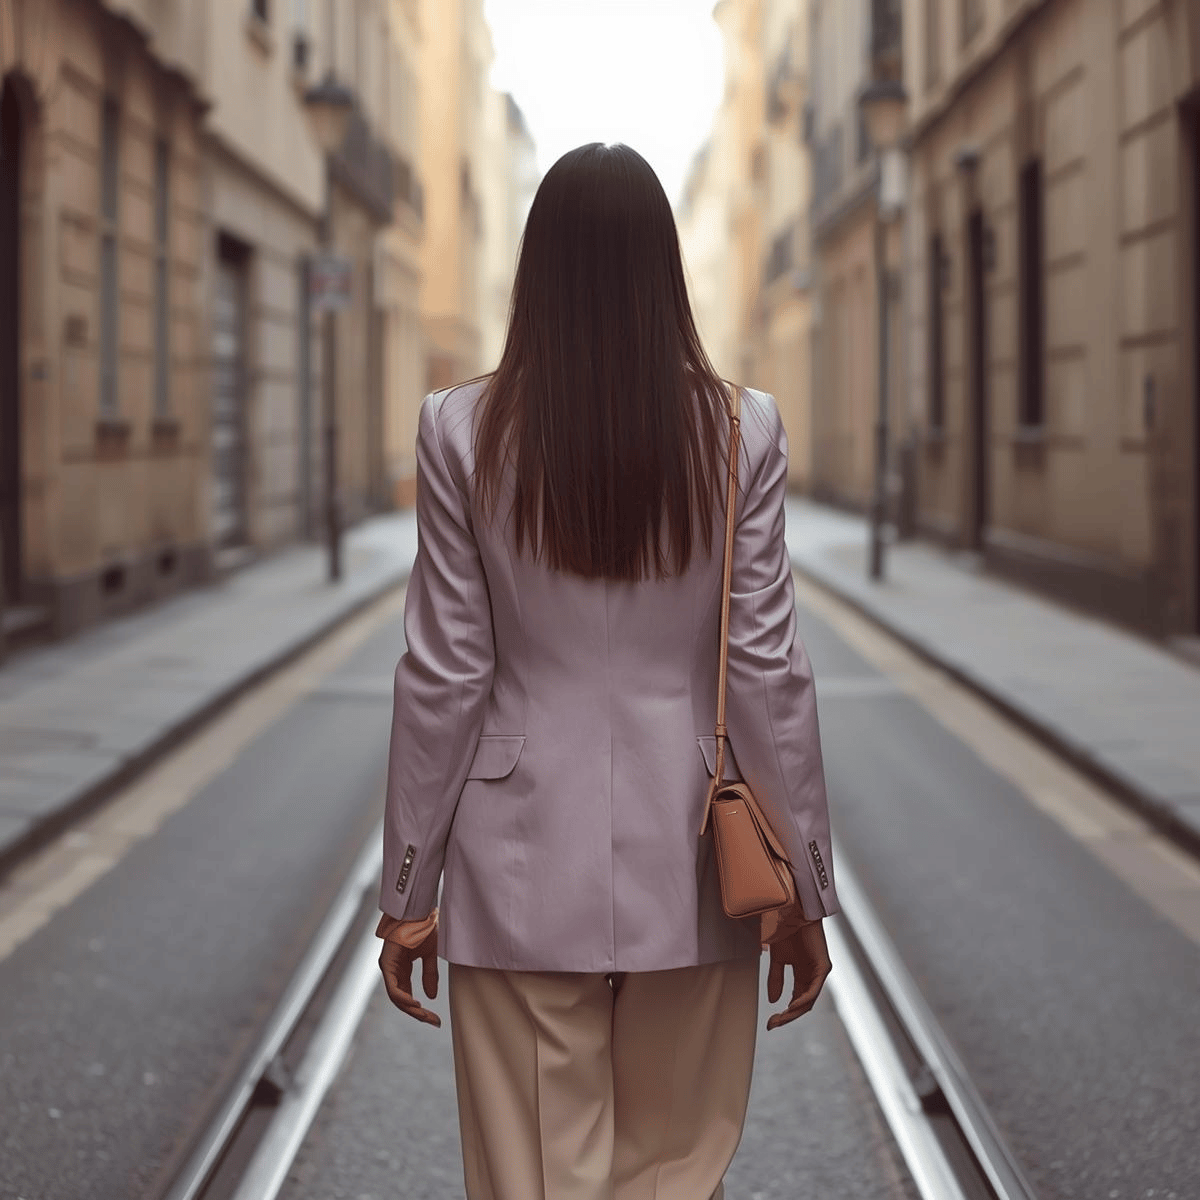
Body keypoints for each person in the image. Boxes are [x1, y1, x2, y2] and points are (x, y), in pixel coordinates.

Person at [375, 143, 837, 1200]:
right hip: (701, 863)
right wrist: (804, 888)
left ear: (537, 271)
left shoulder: (460, 428)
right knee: (672, 1179)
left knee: (540, 1179)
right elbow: (767, 668)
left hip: (516, 863)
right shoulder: (740, 428)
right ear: (663, 272)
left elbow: (445, 673)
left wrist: (409, 882)